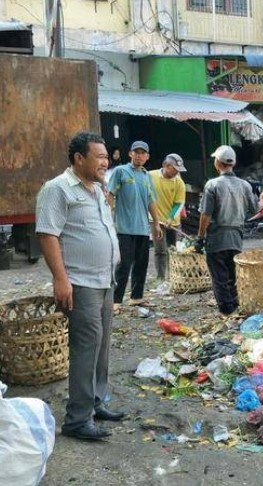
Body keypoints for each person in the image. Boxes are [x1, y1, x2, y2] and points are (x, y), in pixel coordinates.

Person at [36, 131, 124, 441]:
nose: (105, 161)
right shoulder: (57, 190)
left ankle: (95, 402)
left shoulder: (97, 189)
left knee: (101, 346)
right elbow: (48, 235)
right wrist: (61, 279)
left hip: (104, 280)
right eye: (99, 157)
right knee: (86, 348)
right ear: (79, 159)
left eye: (105, 157)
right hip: (81, 282)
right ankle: (77, 419)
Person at [195, 145, 263, 315]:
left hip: (217, 237)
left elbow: (205, 215)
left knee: (219, 277)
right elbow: (255, 210)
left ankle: (227, 310)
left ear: (217, 163)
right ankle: (235, 304)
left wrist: (200, 237)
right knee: (232, 274)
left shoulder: (212, 185)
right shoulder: (244, 185)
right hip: (236, 237)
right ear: (233, 163)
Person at [107, 141, 162, 313]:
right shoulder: (120, 171)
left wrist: (157, 223)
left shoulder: (147, 176)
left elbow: (151, 201)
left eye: (142, 153)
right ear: (130, 154)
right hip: (124, 228)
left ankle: (136, 297)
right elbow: (110, 195)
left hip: (142, 229)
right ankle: (115, 301)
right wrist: (106, 220)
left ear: (147, 157)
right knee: (124, 264)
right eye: (136, 152)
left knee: (141, 264)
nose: (139, 156)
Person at [148, 153, 187, 282]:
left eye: (179, 170)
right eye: (175, 169)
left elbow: (178, 203)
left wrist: (170, 218)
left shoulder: (179, 183)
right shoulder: (150, 176)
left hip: (173, 222)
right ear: (165, 165)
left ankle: (174, 277)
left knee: (174, 250)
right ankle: (160, 278)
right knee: (160, 251)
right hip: (156, 221)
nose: (177, 172)